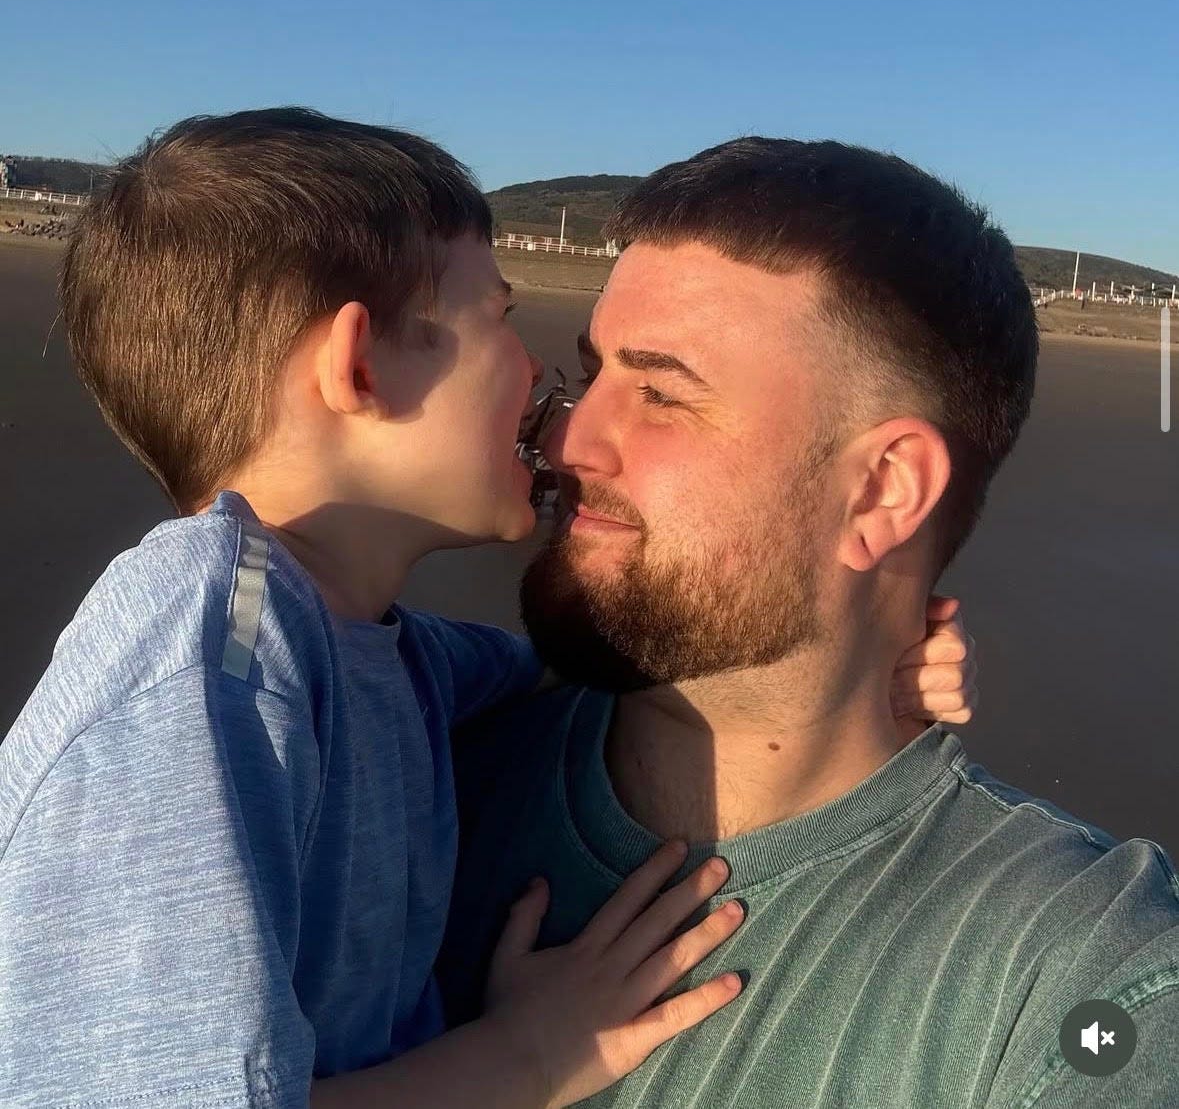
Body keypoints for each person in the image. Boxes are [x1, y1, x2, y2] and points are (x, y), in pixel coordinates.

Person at [0, 110, 969, 1109]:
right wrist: (526, 1059)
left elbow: (564, 666)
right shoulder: (206, 650)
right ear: (361, 367)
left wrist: (870, 658)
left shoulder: (384, 653)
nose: (546, 390)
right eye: (499, 318)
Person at [437, 137, 1179, 1108]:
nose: (570, 437)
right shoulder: (394, 751)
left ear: (881, 491)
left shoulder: (1077, 974)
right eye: (594, 372)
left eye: (660, 393)